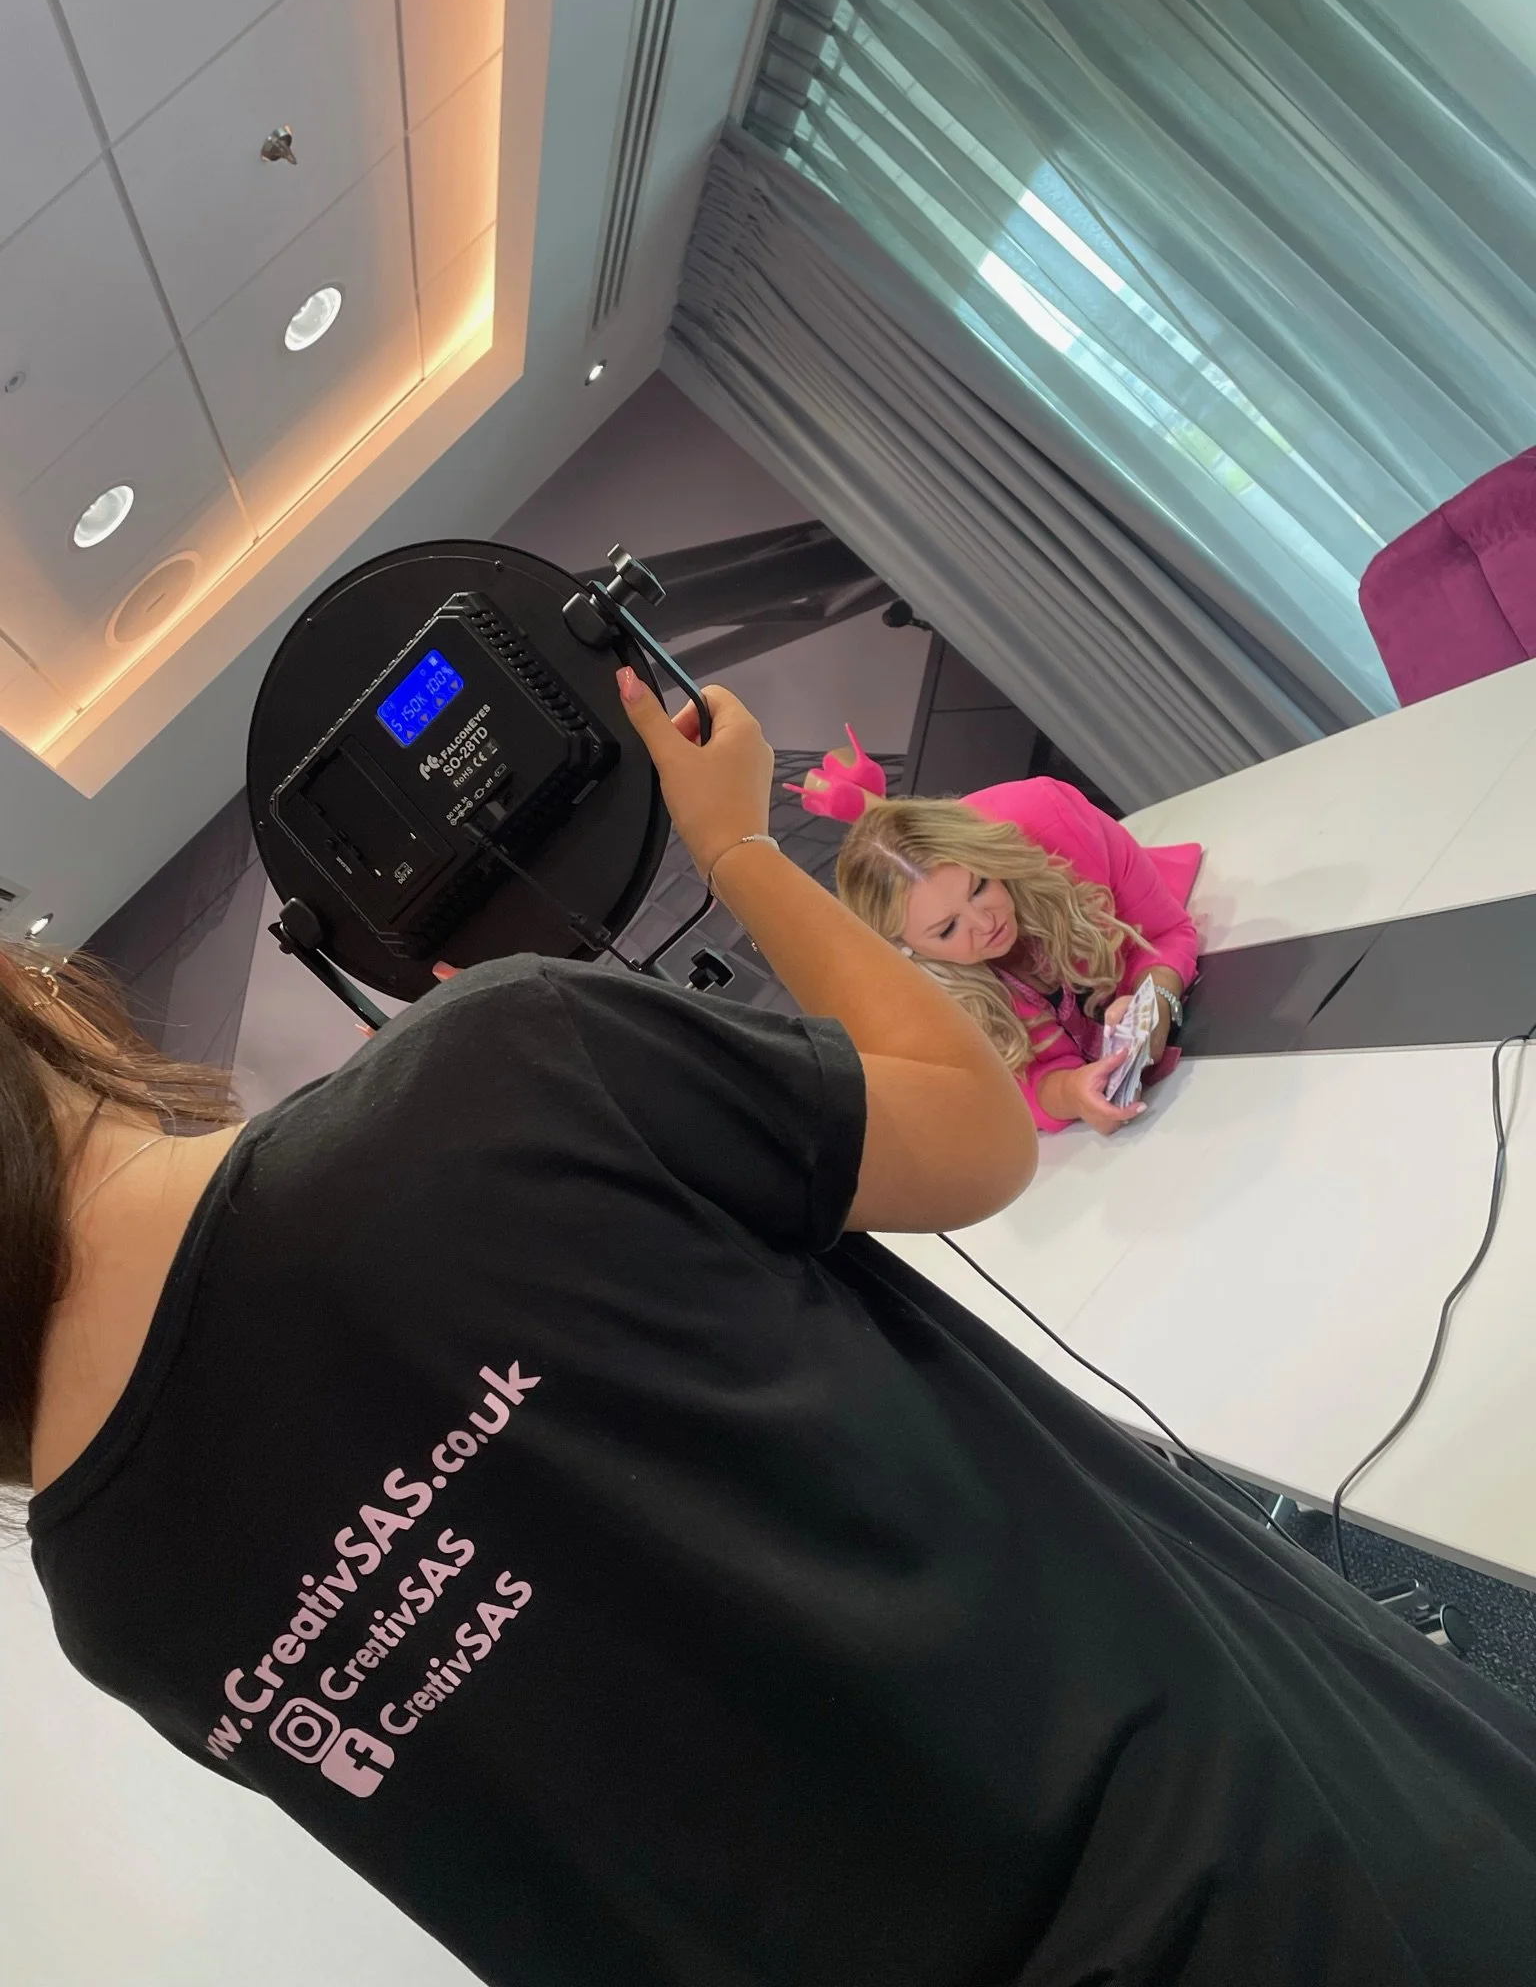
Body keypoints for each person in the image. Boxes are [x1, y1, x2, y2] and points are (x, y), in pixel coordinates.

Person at [10, 672, 1536, 1987]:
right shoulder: (494, 1074)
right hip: (1277, 1859)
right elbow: (974, 1139)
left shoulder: (106, 1595)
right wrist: (737, 843)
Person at [794, 730, 1201, 1135]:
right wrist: (1073, 1091)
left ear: (990, 856)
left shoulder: (1053, 822)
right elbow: (1017, 1086)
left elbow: (1167, 932)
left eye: (981, 885)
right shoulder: (910, 996)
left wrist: (1155, 1001)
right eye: (948, 928)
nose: (985, 923)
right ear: (906, 949)